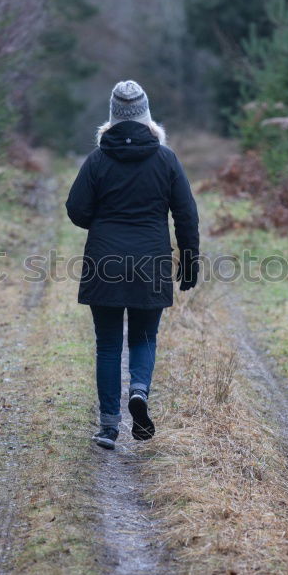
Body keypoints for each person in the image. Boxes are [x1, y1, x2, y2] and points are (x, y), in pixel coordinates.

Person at [65, 80, 200, 449]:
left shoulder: (97, 160)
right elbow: (186, 215)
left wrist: (105, 220)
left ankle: (109, 427)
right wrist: (189, 263)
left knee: (108, 345)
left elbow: (76, 210)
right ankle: (138, 391)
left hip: (104, 260)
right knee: (143, 337)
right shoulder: (166, 159)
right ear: (146, 115)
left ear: (112, 115)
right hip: (152, 262)